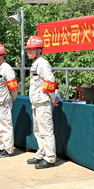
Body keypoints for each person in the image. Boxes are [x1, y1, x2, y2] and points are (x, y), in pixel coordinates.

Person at [26, 35, 58, 169]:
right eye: (27, 49)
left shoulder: (43, 64)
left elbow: (50, 82)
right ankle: (42, 153)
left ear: (39, 50)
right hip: (36, 103)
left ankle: (50, 158)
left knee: (46, 131)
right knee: (37, 131)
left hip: (43, 103)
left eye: (31, 49)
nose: (28, 51)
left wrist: (52, 100)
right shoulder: (35, 63)